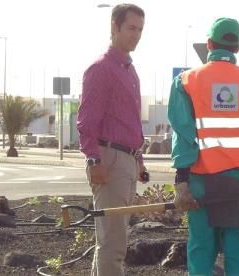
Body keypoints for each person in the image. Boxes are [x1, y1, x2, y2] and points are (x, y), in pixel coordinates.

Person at [168, 17, 239, 275]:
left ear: (209, 44)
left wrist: (181, 182)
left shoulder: (186, 82)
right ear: (238, 48)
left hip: (202, 183)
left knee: (201, 253)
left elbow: (183, 135)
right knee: (238, 257)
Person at [77, 4, 148, 276]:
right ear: (113, 27)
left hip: (127, 160)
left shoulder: (129, 71)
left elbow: (128, 122)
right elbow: (86, 121)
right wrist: (94, 160)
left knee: (112, 240)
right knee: (113, 243)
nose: (137, 35)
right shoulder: (101, 69)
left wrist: (138, 159)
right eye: (131, 28)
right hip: (109, 160)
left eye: (140, 29)